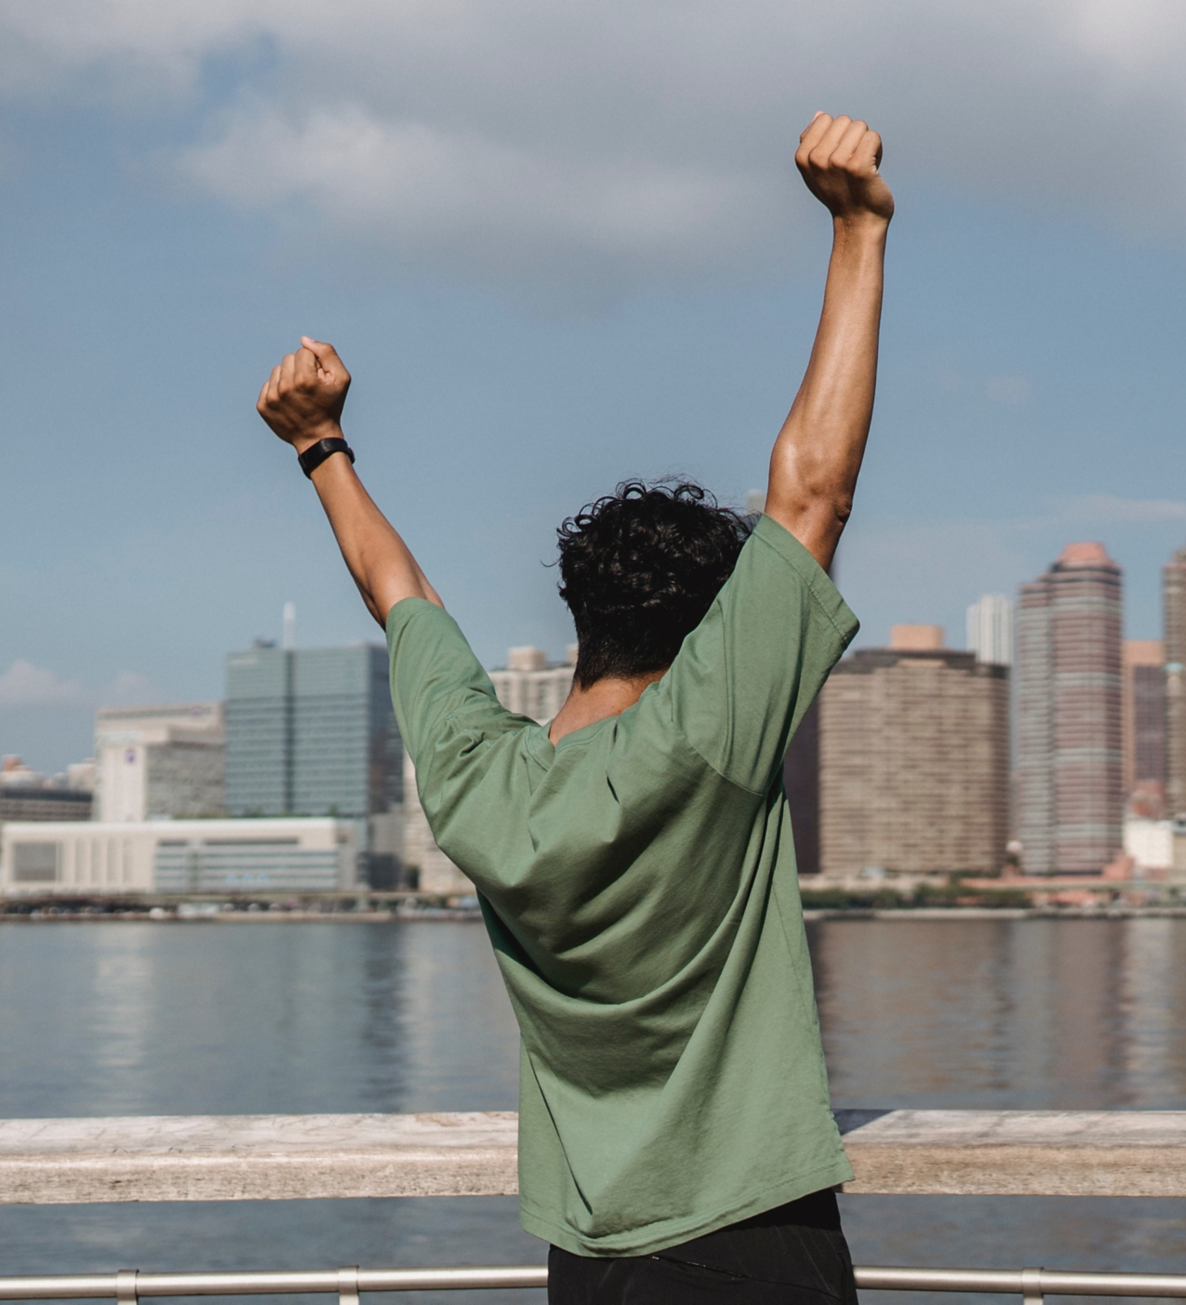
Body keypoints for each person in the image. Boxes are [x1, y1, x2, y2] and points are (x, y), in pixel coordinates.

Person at [251, 112, 893, 1305]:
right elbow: (813, 495)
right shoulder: (708, 736)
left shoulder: (479, 784)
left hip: (590, 1262)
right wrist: (858, 229)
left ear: (580, 609)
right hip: (757, 1238)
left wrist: (321, 444)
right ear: (713, 631)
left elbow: (402, 597)